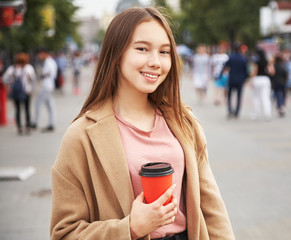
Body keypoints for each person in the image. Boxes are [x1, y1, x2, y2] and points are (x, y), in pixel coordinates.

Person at [50, 7, 235, 240]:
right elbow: (64, 233)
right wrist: (130, 228)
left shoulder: (184, 121)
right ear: (116, 54)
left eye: (164, 51)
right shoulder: (81, 136)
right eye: (142, 49)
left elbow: (211, 207)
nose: (156, 62)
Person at [2, 52, 37, 135]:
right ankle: (27, 125)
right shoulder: (29, 68)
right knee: (26, 108)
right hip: (27, 91)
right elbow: (34, 80)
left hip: (16, 91)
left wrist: (10, 83)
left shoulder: (12, 68)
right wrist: (32, 89)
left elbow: (4, 79)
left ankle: (19, 127)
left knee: (18, 109)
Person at [31, 47, 58, 132]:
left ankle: (35, 122)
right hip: (49, 86)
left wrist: (37, 77)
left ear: (43, 53)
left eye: (39, 54)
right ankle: (51, 123)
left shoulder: (49, 62)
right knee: (50, 105)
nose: (39, 56)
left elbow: (47, 74)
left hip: (46, 86)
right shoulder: (50, 61)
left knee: (38, 104)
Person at [222, 43, 248, 119]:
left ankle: (230, 111)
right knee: (239, 96)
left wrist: (220, 75)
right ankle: (237, 112)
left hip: (232, 79)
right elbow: (246, 71)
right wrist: (245, 79)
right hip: (240, 80)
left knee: (229, 95)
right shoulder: (243, 58)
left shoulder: (231, 57)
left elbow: (225, 67)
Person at [249, 48, 272, 121]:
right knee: (266, 97)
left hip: (257, 79)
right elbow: (272, 71)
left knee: (256, 97)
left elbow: (254, 71)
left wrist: (251, 79)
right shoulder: (267, 61)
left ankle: (256, 113)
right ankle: (267, 113)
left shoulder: (256, 61)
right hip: (266, 79)